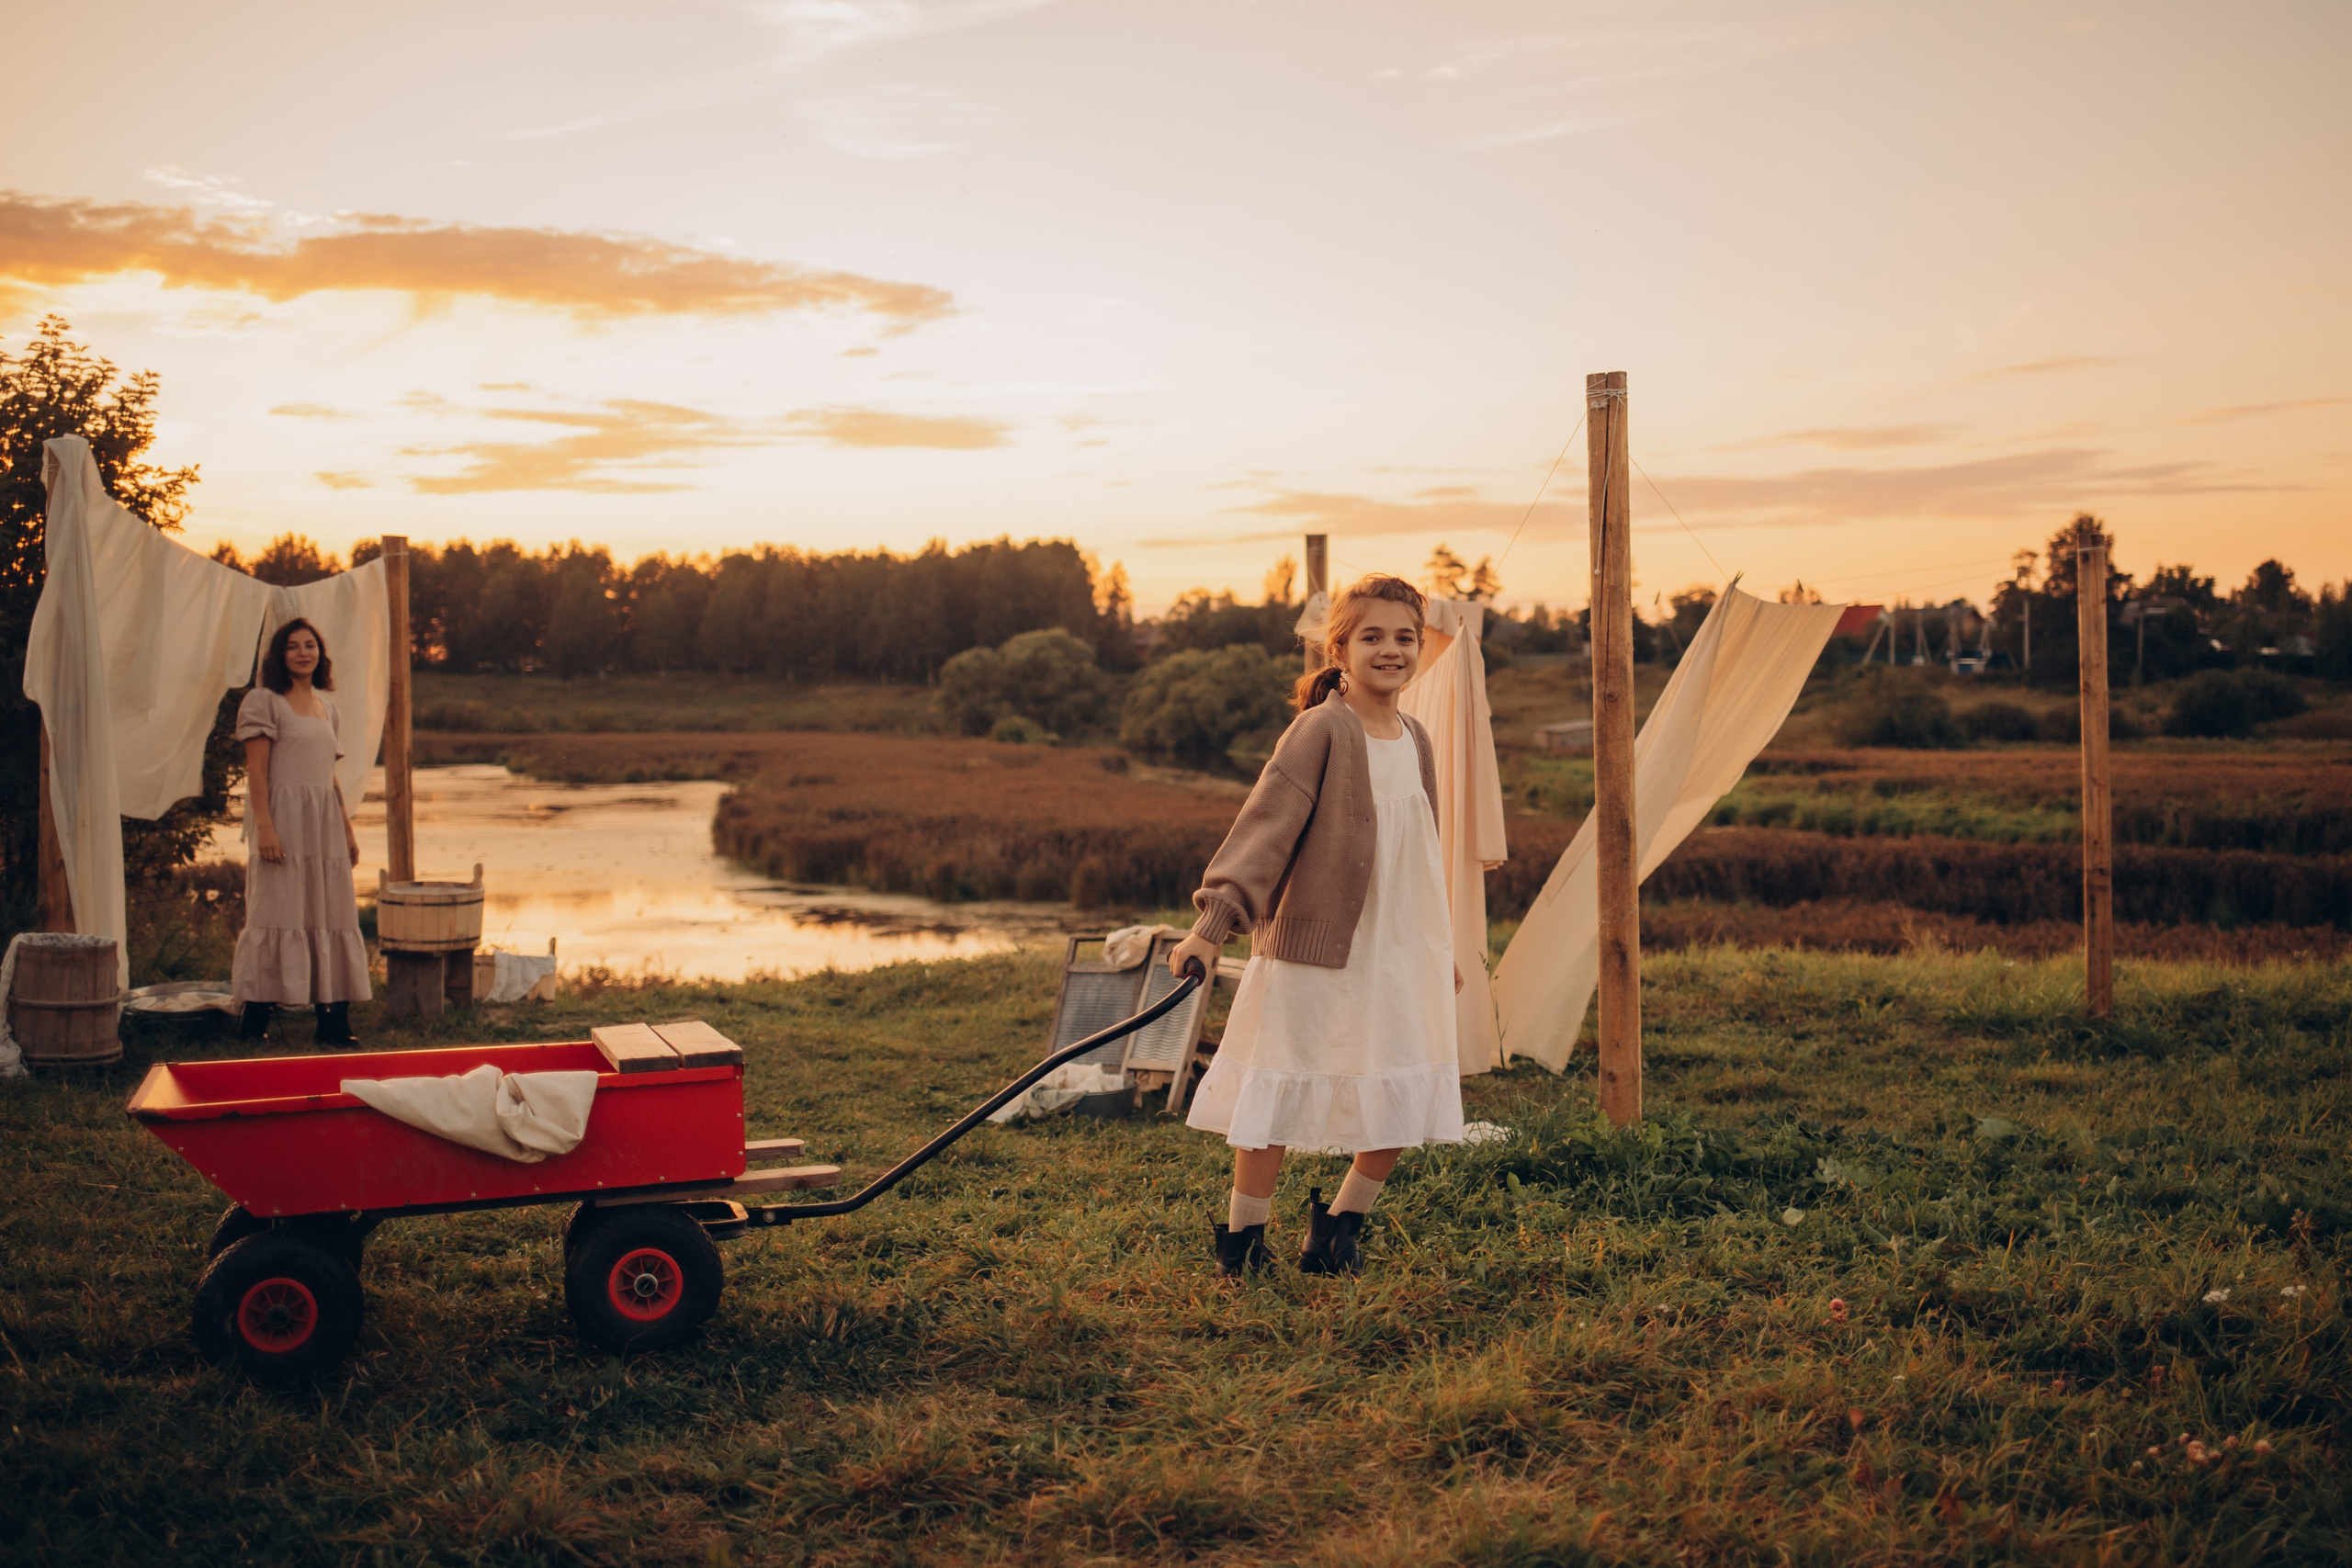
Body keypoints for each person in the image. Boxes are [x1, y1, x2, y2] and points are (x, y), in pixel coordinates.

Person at [1169, 573, 1464, 1278]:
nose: (1390, 650)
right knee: (1278, 1083)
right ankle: (1242, 1244)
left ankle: (1337, 1229)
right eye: (1373, 637)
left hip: (1400, 947)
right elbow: (1263, 828)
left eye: (1405, 638)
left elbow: (1418, 852)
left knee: (1403, 1078)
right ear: (1341, 647)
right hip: (1317, 947)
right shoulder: (1322, 728)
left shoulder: (1416, 738)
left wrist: (1438, 946)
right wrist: (1212, 924)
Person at [232, 618, 370, 1047]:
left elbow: (328, 776)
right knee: (275, 912)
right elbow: (256, 771)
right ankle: (254, 1022)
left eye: (310, 645)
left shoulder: (328, 708)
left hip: (324, 821)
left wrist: (346, 830)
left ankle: (333, 1022)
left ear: (320, 654)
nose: (303, 653)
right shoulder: (264, 702)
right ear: (279, 655)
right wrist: (265, 828)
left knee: (331, 912)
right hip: (283, 819)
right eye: (293, 647)